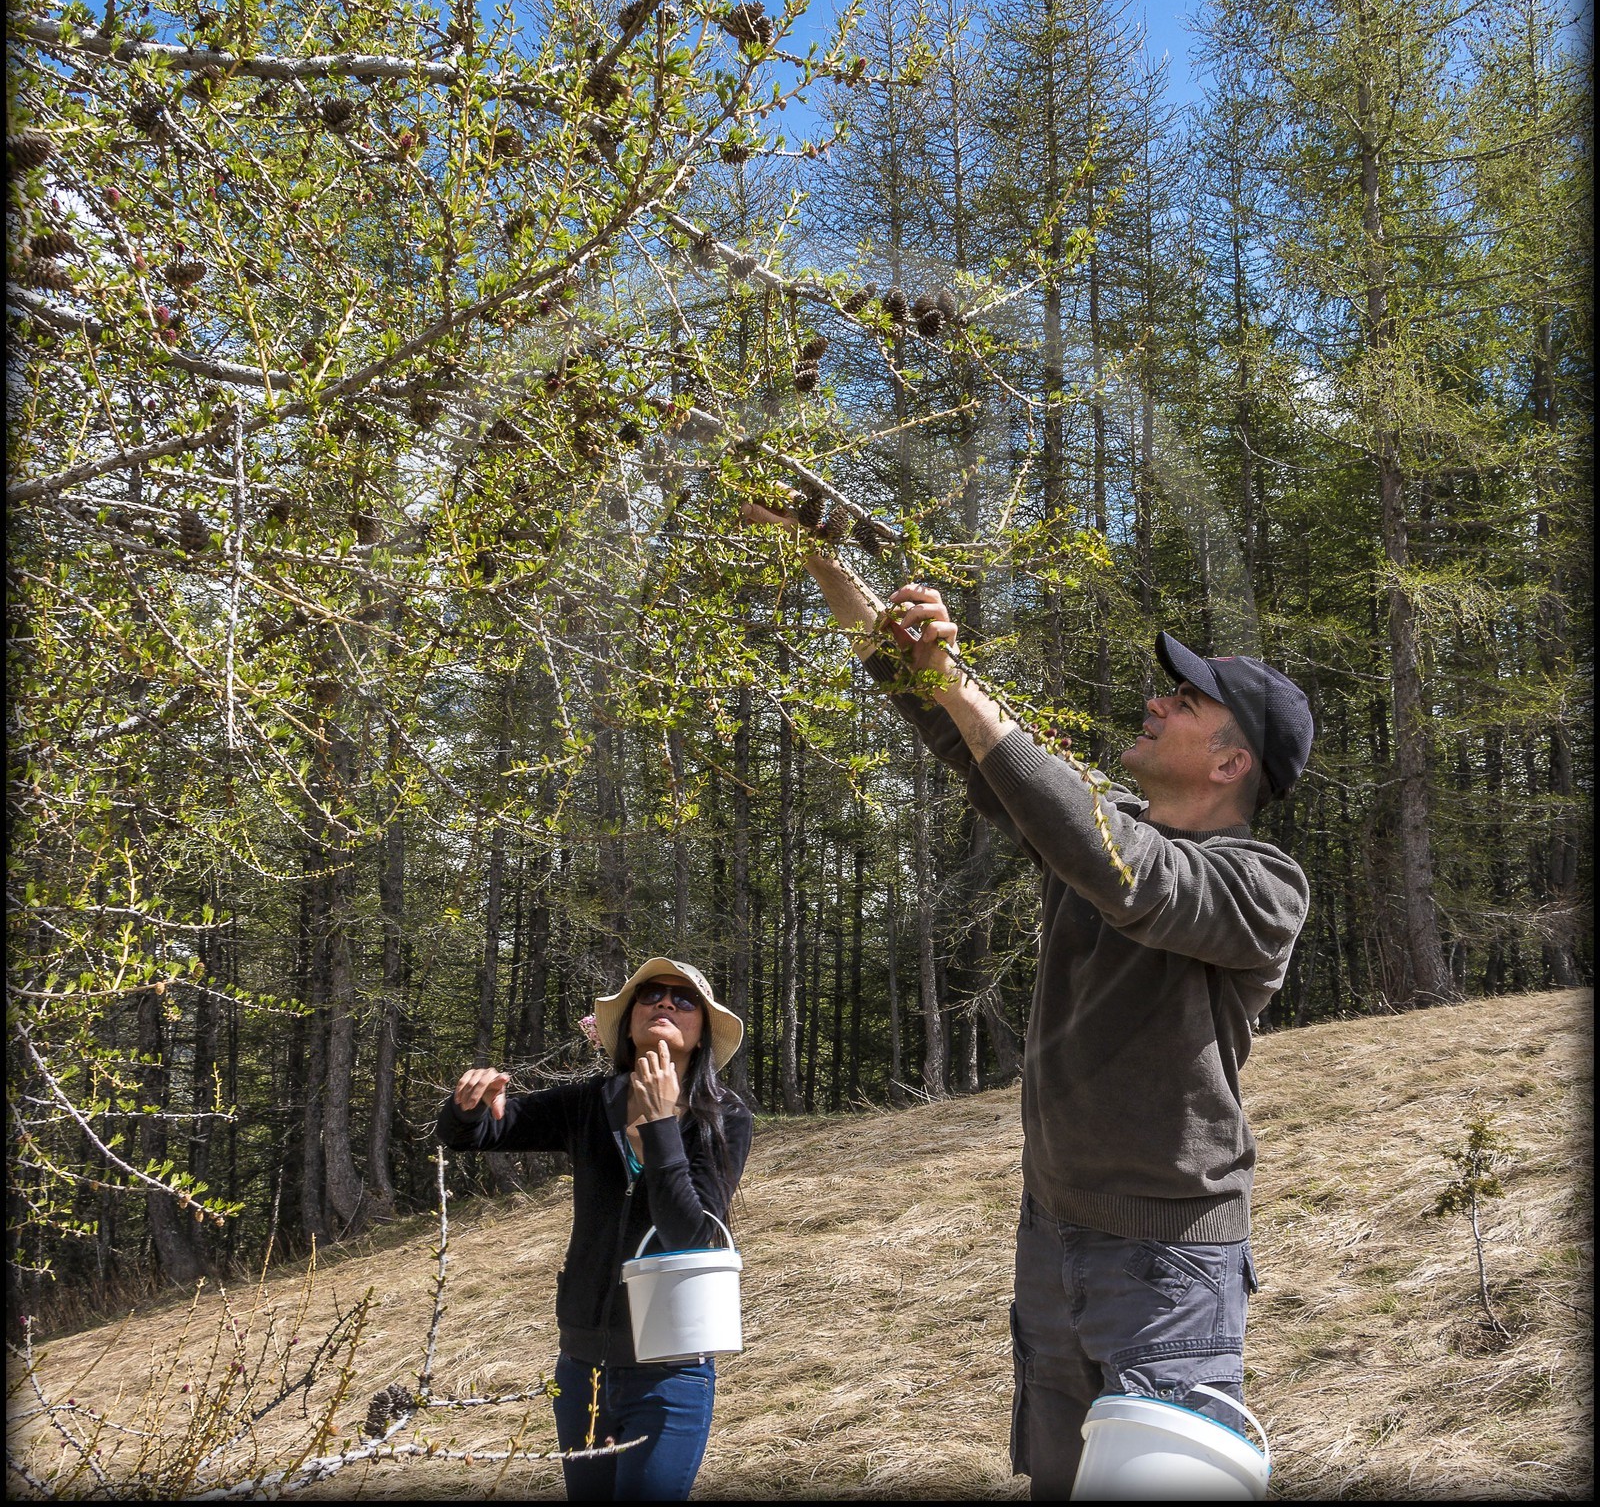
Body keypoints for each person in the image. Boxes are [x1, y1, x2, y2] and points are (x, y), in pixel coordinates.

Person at [743, 501, 1313, 1499]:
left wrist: (962, 682)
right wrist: (823, 559)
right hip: (1052, 1229)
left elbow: (1126, 868)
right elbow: (957, 730)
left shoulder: (1260, 884)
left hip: (1168, 1265)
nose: (1157, 700)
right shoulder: (1101, 827)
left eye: (1185, 699)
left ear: (1232, 763)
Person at [438, 957, 752, 1502]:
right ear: (629, 1022)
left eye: (684, 1000)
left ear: (702, 1033)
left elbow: (687, 1234)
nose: (665, 1004)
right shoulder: (591, 1103)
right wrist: (470, 1106)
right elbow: (475, 1135)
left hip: (670, 1372)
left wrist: (659, 1125)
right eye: (651, 995)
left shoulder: (722, 1117)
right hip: (582, 1366)